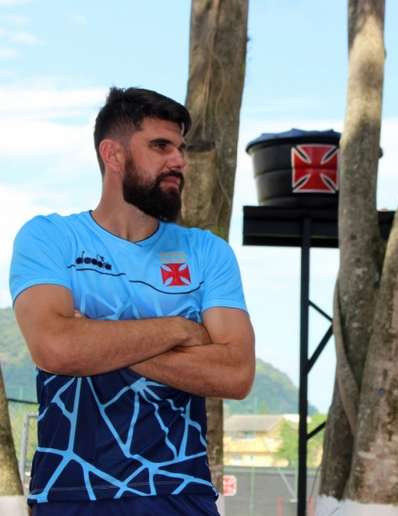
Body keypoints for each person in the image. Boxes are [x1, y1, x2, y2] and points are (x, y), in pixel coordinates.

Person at [10, 87, 256, 515]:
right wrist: (179, 330)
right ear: (113, 154)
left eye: (180, 148)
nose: (178, 160)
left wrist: (94, 338)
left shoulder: (207, 251)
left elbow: (236, 374)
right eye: (160, 146)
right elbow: (55, 348)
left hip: (180, 491)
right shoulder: (50, 237)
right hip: (71, 492)